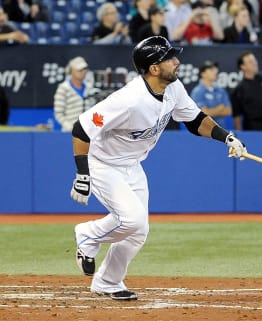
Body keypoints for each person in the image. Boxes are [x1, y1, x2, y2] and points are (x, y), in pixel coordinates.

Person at [70, 36, 247, 300]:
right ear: (154, 68)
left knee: (139, 231)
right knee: (132, 220)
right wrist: (82, 173)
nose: (177, 61)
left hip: (133, 164)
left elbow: (195, 119)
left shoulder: (173, 89)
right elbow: (82, 127)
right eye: (170, 58)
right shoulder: (129, 99)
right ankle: (87, 235)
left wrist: (227, 137)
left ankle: (108, 282)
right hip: (103, 164)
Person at [54, 57, 99, 132]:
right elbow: (59, 113)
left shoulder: (90, 88)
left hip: (89, 132)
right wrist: (70, 127)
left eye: (84, 69)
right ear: (71, 71)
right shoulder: (63, 88)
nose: (83, 72)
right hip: (69, 133)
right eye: (79, 70)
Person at [190, 60, 232, 128]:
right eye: (211, 70)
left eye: (215, 69)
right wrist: (220, 108)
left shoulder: (221, 91)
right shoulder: (197, 92)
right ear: (203, 73)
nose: (215, 72)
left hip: (221, 131)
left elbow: (228, 111)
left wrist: (211, 111)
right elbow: (203, 114)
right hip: (204, 132)